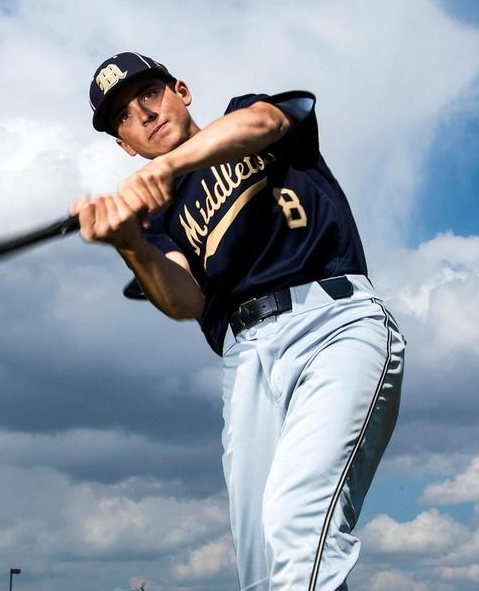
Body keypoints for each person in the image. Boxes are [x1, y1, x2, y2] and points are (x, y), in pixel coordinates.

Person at [71, 52, 406, 591]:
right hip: (245, 357)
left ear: (181, 90)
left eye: (149, 95)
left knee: (298, 521)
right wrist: (129, 243)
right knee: (263, 566)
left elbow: (266, 123)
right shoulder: (156, 221)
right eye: (125, 118)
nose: (144, 114)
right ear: (124, 144)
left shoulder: (241, 116)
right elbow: (185, 301)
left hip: (332, 321)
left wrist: (165, 167)